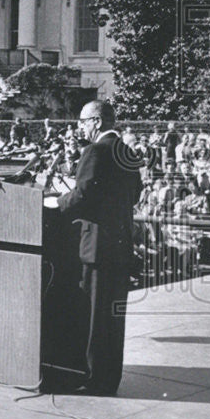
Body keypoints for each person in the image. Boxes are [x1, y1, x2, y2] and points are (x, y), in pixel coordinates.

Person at [49, 100, 143, 395]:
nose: (81, 127)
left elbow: (83, 196)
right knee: (112, 318)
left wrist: (55, 202)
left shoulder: (95, 151)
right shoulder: (126, 151)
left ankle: (95, 381)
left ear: (97, 122)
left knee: (94, 316)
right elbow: (134, 193)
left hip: (97, 248)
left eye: (83, 121)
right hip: (119, 245)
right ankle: (108, 378)